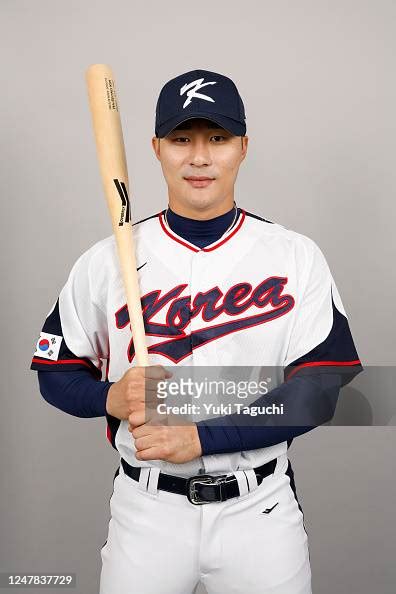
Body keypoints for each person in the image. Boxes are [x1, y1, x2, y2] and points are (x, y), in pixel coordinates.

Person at [30, 69, 363, 594]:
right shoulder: (104, 262)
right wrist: (110, 395)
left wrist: (202, 436)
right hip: (146, 511)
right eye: (182, 139)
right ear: (156, 148)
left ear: (244, 147)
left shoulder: (295, 256)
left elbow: (321, 390)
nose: (200, 157)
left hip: (260, 511)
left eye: (218, 138)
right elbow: (55, 372)